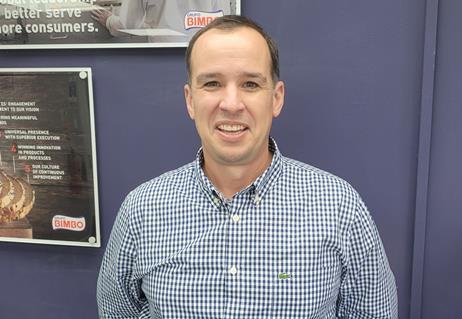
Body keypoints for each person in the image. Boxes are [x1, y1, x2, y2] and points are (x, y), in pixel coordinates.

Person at [97, 15, 398, 318]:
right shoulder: (141, 211)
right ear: (190, 100)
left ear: (276, 98)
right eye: (212, 83)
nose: (231, 103)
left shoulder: (339, 207)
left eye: (250, 84)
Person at [91, 0, 232, 39]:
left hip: (163, 54)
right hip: (208, 53)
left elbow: (128, 26)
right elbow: (225, 18)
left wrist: (109, 20)